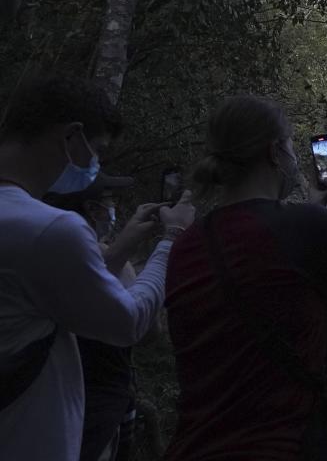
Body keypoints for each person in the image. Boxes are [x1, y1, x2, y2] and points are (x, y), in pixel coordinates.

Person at [163, 95, 327, 461]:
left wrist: (312, 209)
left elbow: (262, 272)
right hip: (279, 445)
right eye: (291, 147)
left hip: (195, 446)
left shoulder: (186, 243)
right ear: (273, 153)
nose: (296, 160)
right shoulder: (301, 228)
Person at [0, 76, 195, 461]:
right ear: (72, 136)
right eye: (98, 150)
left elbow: (61, 289)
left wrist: (126, 243)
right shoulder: (49, 229)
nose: (95, 164)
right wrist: (171, 237)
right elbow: (130, 323)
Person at [45, 174, 165, 461]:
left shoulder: (45, 251)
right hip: (103, 401)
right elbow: (148, 331)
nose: (113, 208)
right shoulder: (101, 256)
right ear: (93, 209)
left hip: (53, 400)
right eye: (110, 201)